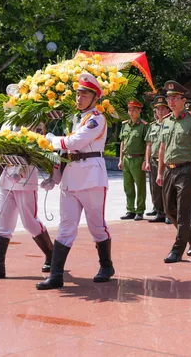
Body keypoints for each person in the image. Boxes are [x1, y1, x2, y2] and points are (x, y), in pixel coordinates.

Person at [37, 72, 114, 289]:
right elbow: (66, 153)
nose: (79, 98)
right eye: (78, 94)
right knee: (66, 227)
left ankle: (106, 265)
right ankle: (56, 275)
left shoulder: (97, 119)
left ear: (95, 98)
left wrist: (51, 140)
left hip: (91, 178)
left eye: (84, 94)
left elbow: (74, 143)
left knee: (96, 227)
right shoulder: (77, 119)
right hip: (71, 179)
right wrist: (55, 177)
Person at [0, 125, 54, 281]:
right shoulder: (8, 121)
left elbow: (36, 150)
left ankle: (51, 255)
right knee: (2, 221)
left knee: (29, 223)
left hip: (25, 180)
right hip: (6, 179)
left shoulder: (34, 121)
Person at [157, 80, 191, 263]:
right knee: (169, 210)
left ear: (183, 100)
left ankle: (177, 250)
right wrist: (160, 172)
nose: (170, 101)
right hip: (169, 170)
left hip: (187, 169)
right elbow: (162, 147)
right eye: (169, 98)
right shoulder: (166, 121)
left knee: (183, 212)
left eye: (174, 98)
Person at [119, 98, 148, 221]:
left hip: (138, 159)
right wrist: (120, 159)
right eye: (129, 110)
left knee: (140, 186)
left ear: (139, 111)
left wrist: (146, 161)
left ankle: (140, 210)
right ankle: (130, 209)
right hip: (127, 159)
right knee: (128, 186)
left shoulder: (144, 126)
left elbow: (148, 144)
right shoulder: (125, 125)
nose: (131, 112)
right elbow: (123, 142)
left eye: (134, 110)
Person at [144, 96, 170, 224]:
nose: (160, 111)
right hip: (154, 160)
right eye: (158, 109)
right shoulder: (152, 126)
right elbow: (148, 145)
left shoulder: (171, 124)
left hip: (167, 161)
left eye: (163, 109)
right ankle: (159, 212)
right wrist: (147, 161)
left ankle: (169, 213)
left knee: (168, 188)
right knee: (155, 188)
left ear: (168, 110)